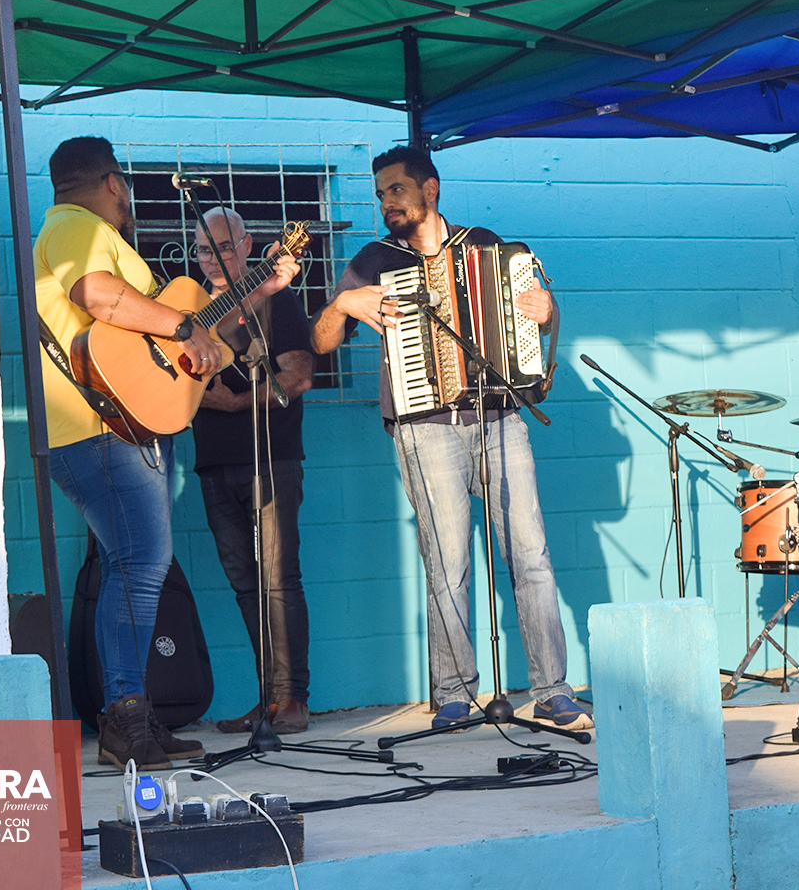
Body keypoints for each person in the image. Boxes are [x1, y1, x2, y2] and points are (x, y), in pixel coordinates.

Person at [34, 138, 298, 769]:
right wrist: (182, 325)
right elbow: (96, 293)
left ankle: (131, 716)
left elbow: (191, 330)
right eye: (125, 190)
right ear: (114, 184)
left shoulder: (95, 234)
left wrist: (259, 289)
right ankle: (125, 721)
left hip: (122, 424)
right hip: (102, 428)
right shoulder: (75, 226)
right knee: (142, 564)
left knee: (131, 566)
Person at [310, 146, 591, 731]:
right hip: (423, 428)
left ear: (429, 189)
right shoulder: (373, 261)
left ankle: (552, 689)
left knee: (532, 556)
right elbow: (321, 343)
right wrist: (343, 302)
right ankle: (454, 693)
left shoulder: (485, 245)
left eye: (396, 190)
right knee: (447, 564)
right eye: (380, 194)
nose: (386, 203)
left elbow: (535, 317)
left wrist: (546, 311)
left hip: (499, 416)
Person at [189, 207, 313, 735]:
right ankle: (267, 700)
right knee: (245, 584)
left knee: (278, 579)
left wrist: (235, 403)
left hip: (270, 458)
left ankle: (293, 699)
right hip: (212, 462)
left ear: (246, 246)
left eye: (222, 247)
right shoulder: (189, 309)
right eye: (201, 249)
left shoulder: (276, 299)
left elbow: (298, 376)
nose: (211, 259)